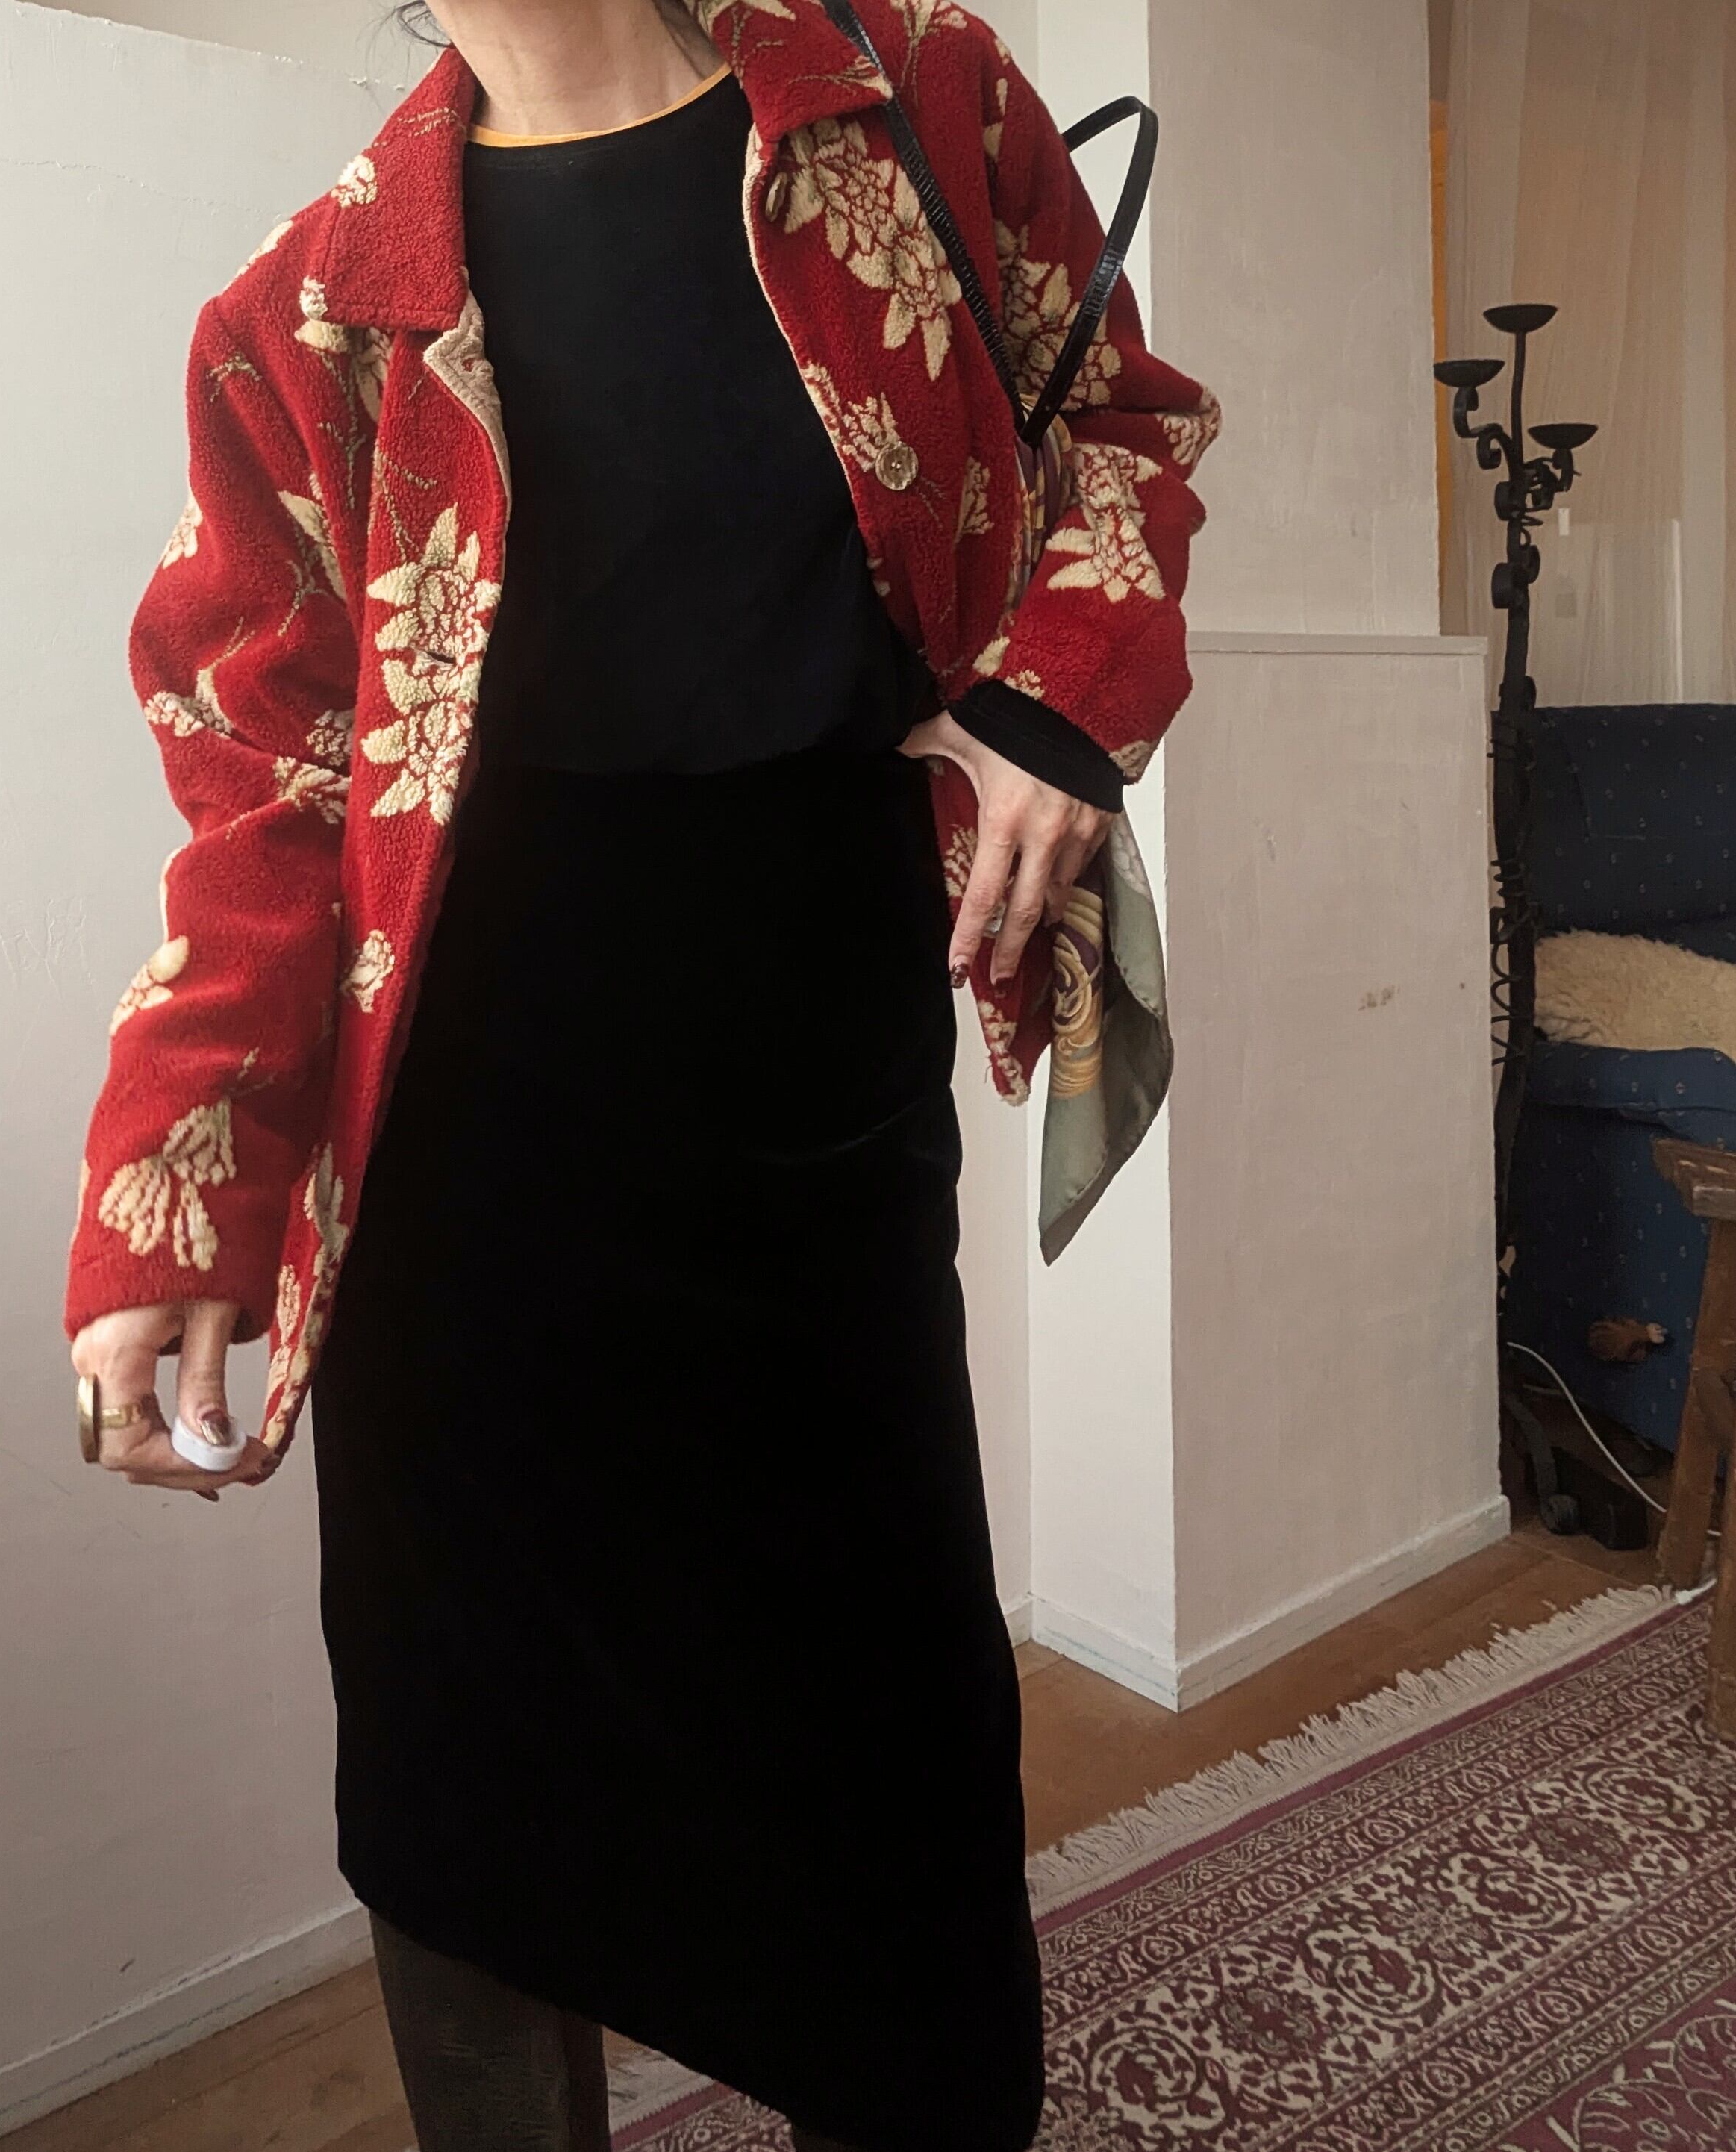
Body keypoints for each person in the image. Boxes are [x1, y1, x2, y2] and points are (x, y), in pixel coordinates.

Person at [63, 4, 1219, 2148]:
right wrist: (177, 1196)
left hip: (814, 1109)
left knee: (880, 1762)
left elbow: (1121, 429)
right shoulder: (301, 316)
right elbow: (262, 793)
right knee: (469, 1783)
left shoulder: (913, 98)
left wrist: (1061, 700)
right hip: (462, 1167)